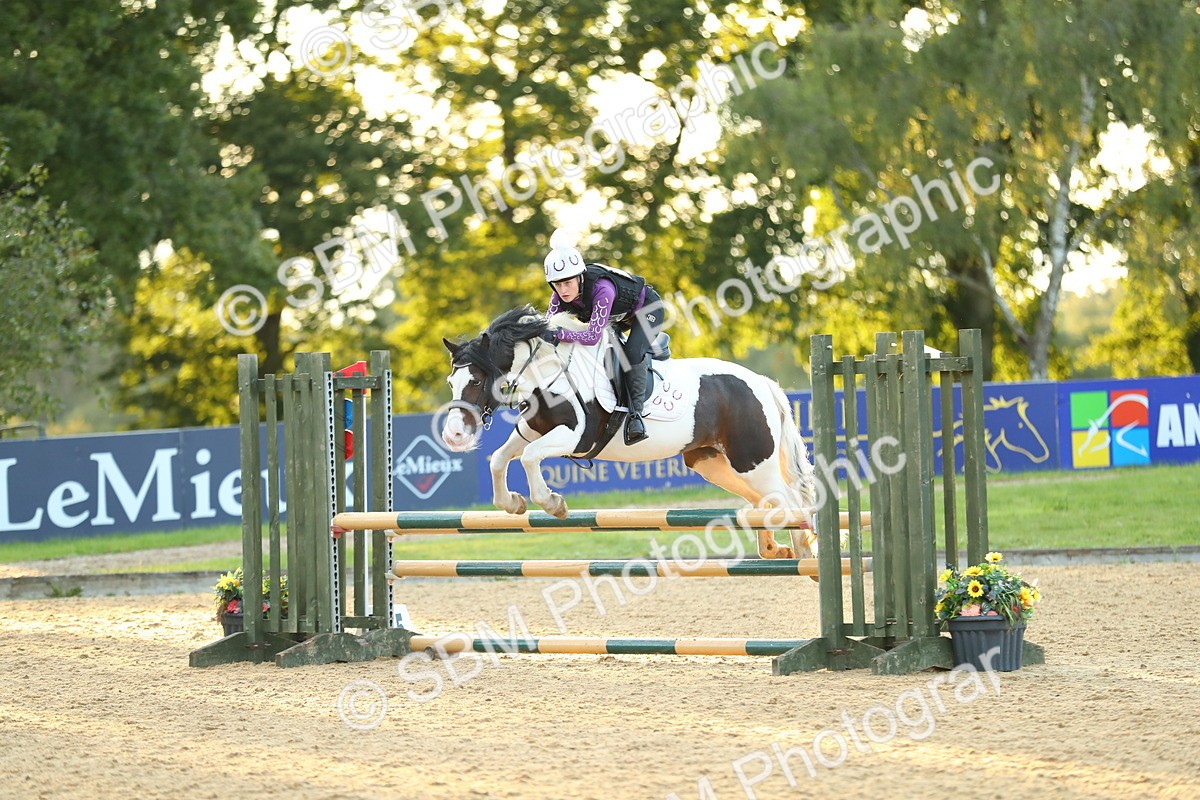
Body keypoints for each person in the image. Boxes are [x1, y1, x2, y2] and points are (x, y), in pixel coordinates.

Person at [539, 229, 663, 445]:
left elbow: (592, 336)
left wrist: (560, 334)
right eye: (557, 285)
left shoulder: (602, 289)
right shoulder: (558, 296)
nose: (563, 290)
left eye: (568, 283)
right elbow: (546, 327)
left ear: (579, 277)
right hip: (619, 316)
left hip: (647, 310)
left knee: (631, 353)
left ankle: (636, 417)